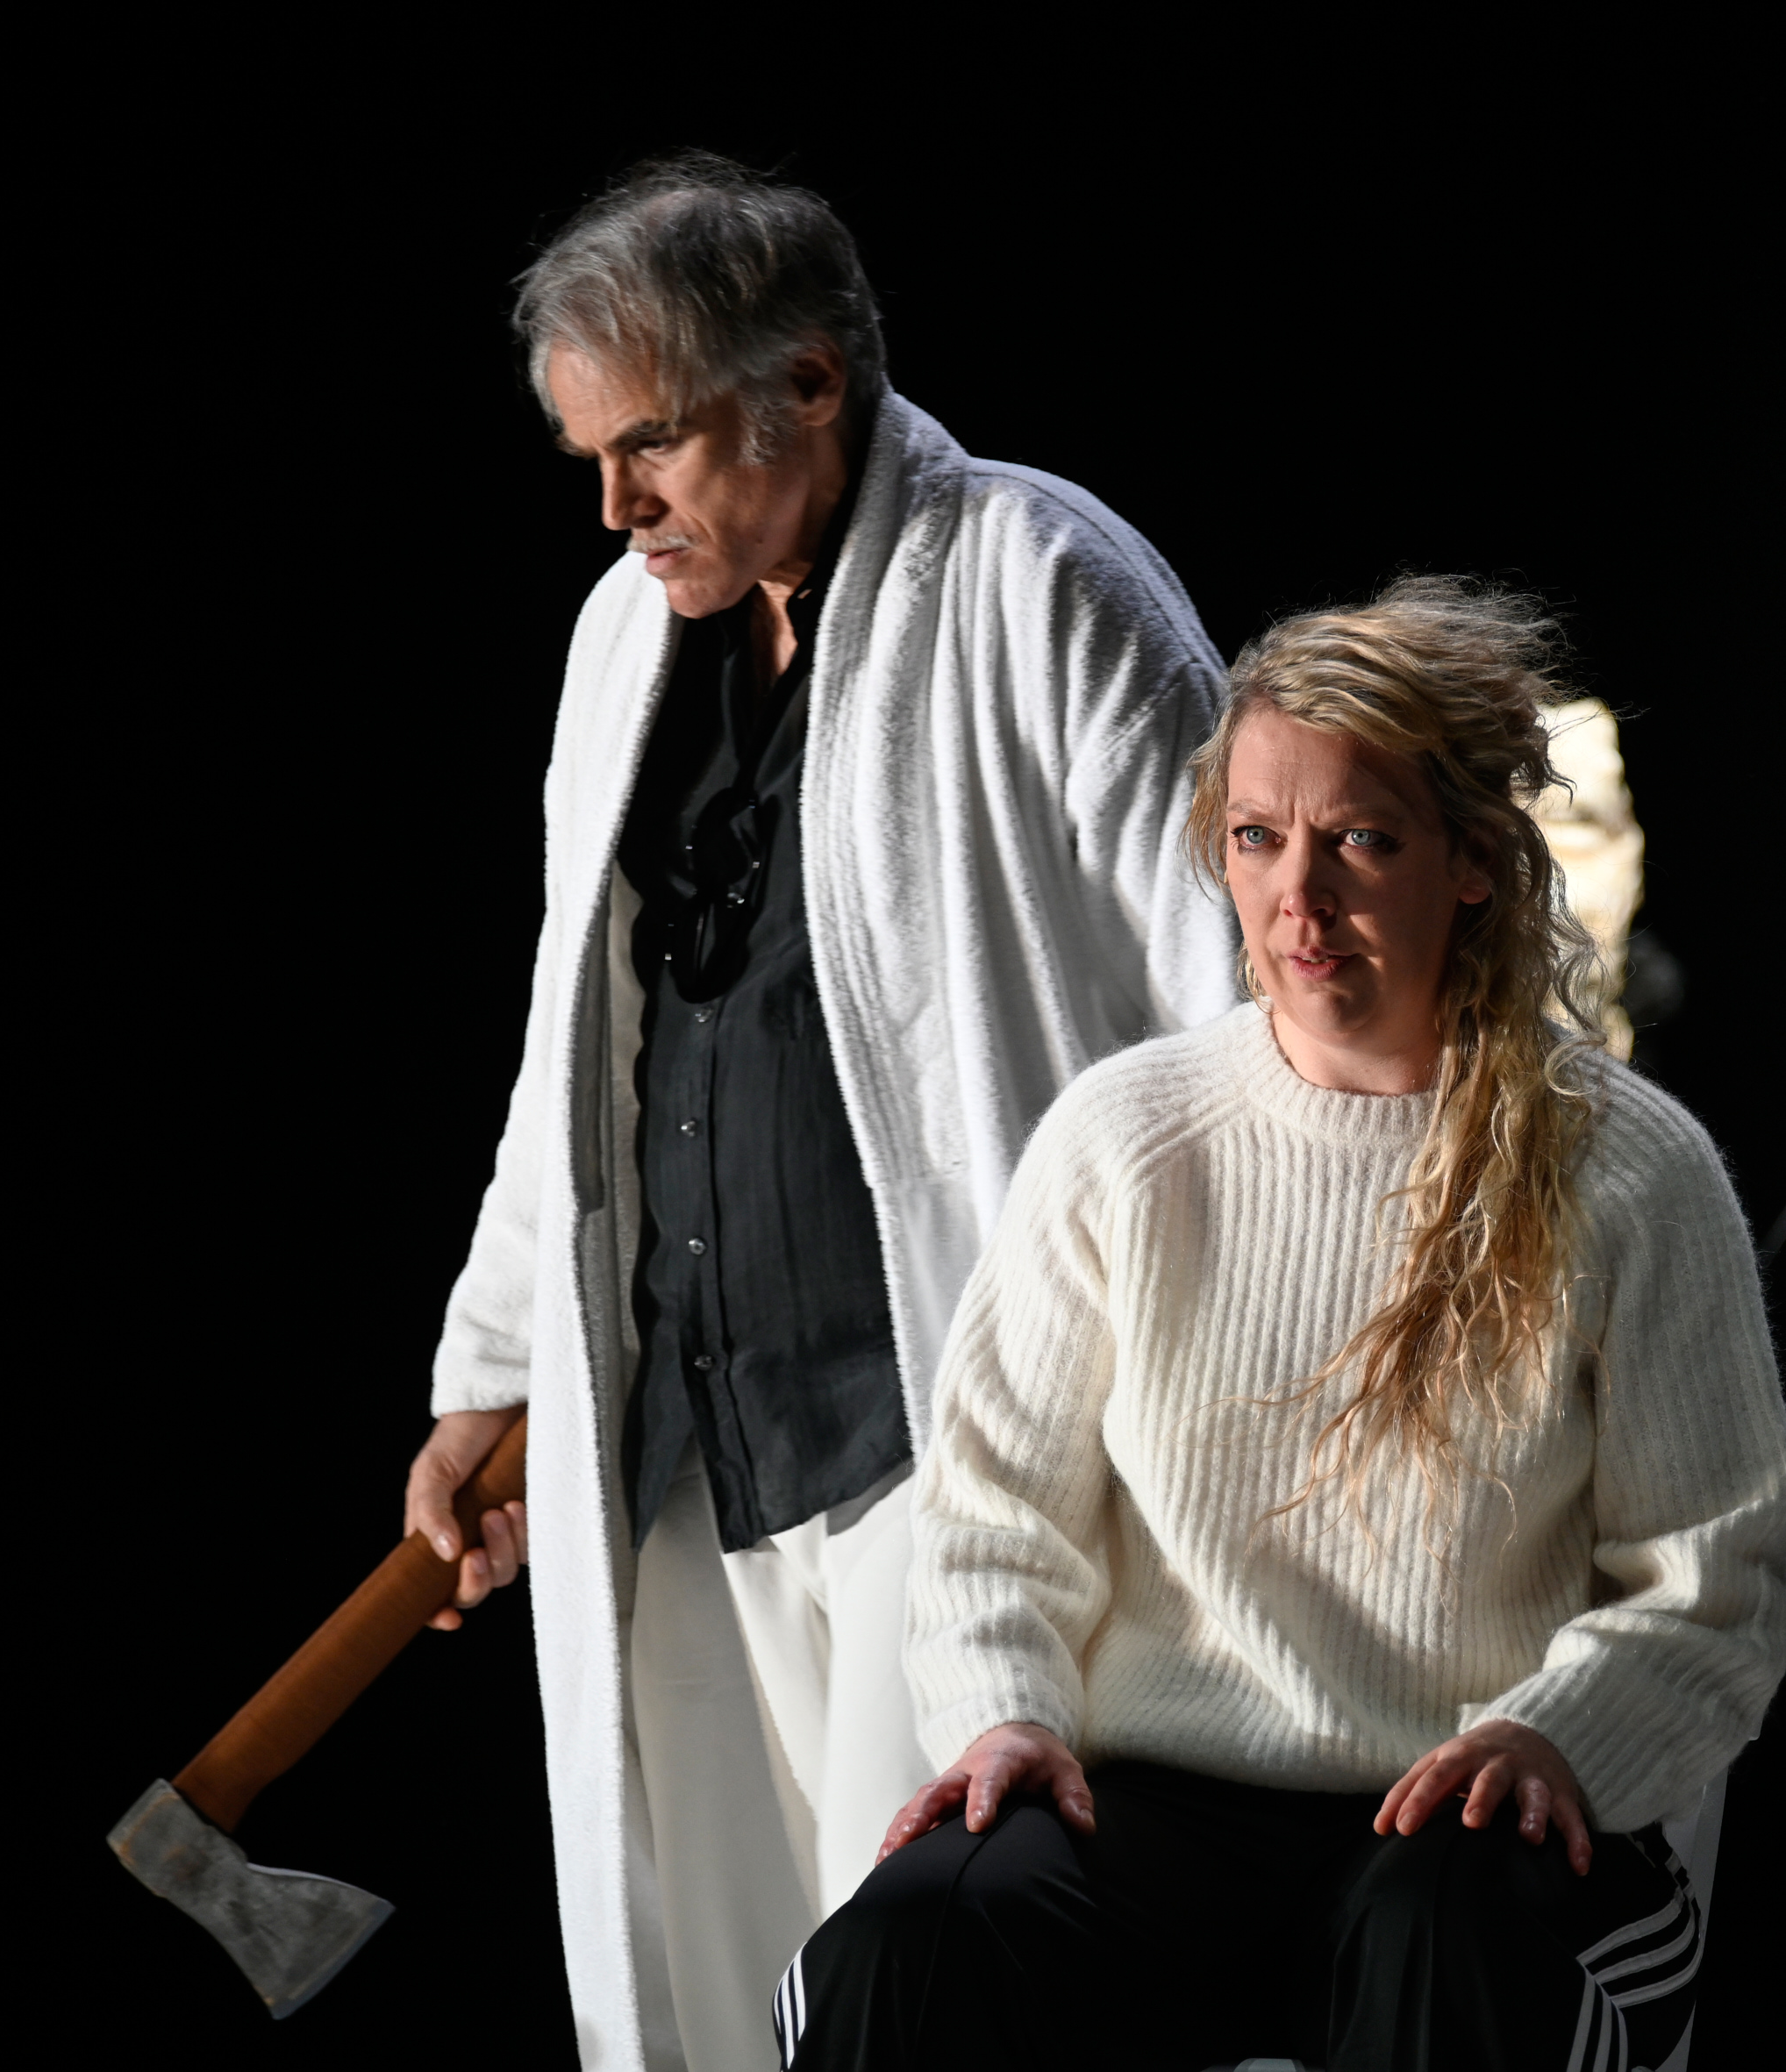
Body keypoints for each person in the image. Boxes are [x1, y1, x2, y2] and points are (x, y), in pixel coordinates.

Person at [400, 154, 1238, 2068]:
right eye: (591, 457)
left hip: (943, 1436)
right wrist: (500, 1361)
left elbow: (1238, 996)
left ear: (808, 382)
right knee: (711, 1997)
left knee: (912, 1991)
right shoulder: (621, 644)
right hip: (688, 1447)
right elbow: (574, 1045)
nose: (615, 507)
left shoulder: (1038, 580)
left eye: (655, 446)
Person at [781, 580, 1786, 2070]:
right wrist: (1007, 1712)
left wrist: (1557, 1735)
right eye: (1258, 836)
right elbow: (996, 1517)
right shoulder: (1127, 1139)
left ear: (1472, 859)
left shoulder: (1630, 1170)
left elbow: (1710, 1583)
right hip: (1159, 1809)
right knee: (914, 1937)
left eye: (1361, 840)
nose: (1298, 901)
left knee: (1442, 1934)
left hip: (1469, 1816)